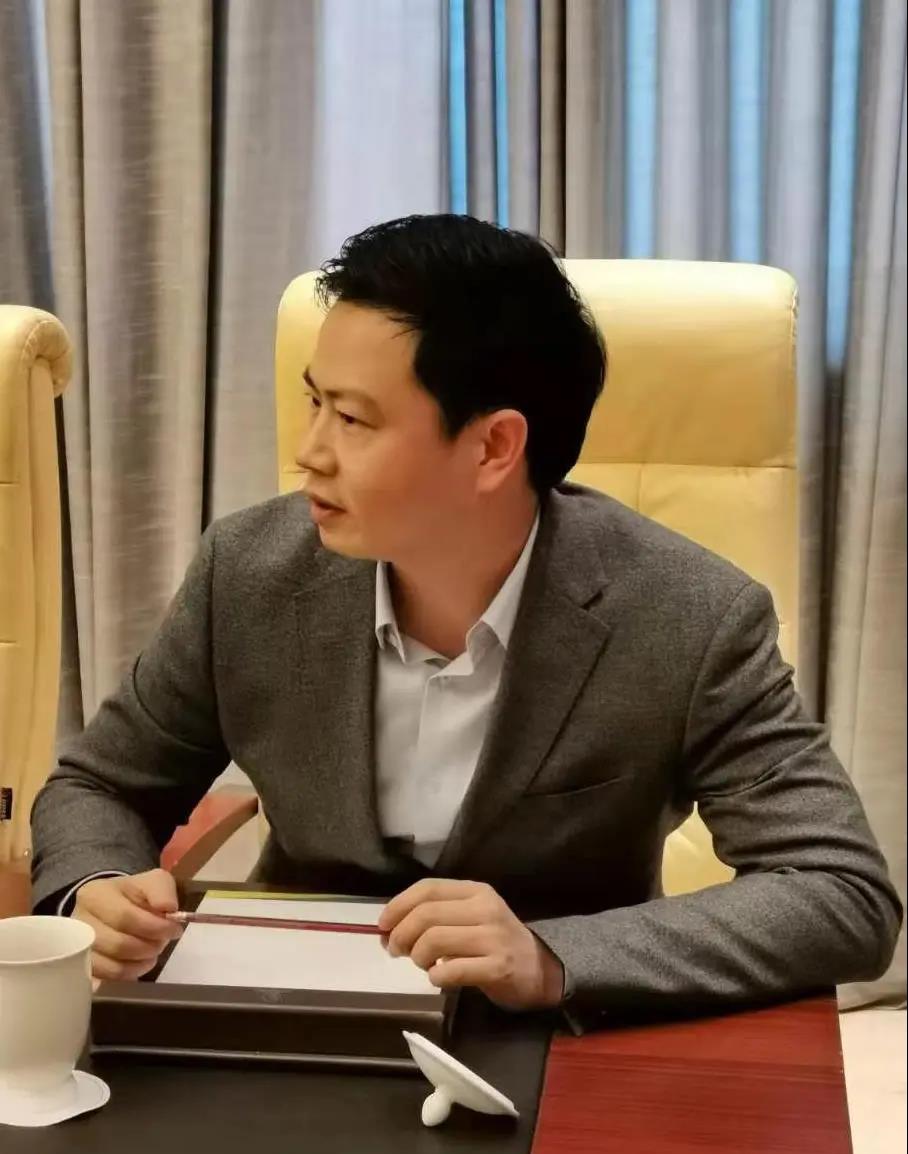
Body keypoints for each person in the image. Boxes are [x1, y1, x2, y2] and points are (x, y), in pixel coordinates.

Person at [31, 214, 901, 1021]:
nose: (310, 452)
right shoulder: (249, 574)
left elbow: (840, 891)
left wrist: (553, 957)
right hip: (297, 1011)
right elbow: (101, 785)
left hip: (549, 1037)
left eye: (353, 418)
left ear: (494, 447)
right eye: (314, 401)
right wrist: (95, 884)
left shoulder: (687, 615)